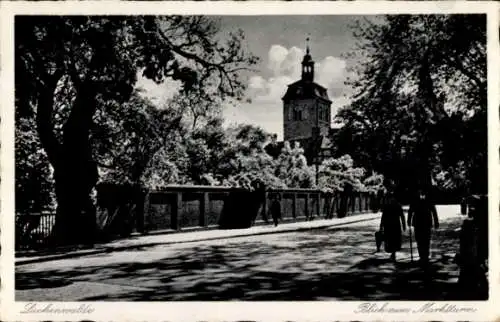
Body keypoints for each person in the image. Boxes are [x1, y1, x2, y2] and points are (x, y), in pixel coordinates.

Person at [407, 188, 439, 267]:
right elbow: (410, 211)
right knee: (419, 240)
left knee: (426, 239)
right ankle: (422, 256)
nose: (421, 194)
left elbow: (433, 210)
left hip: (426, 223)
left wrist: (436, 221)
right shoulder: (415, 200)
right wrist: (409, 220)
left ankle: (425, 256)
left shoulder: (428, 200)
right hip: (418, 223)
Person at [379, 192, 406, 261]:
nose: (390, 199)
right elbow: (383, 217)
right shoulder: (394, 205)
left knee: (393, 239)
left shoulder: (393, 205)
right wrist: (381, 226)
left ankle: (393, 253)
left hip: (393, 225)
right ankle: (393, 253)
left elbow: (402, 216)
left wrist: (404, 225)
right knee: (391, 239)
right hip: (391, 225)